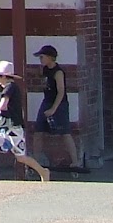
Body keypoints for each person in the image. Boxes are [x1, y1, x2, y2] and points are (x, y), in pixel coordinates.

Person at [0, 60, 50, 182]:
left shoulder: (10, 87)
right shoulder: (9, 88)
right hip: (2, 126)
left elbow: (3, 105)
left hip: (13, 128)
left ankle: (43, 171)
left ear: (4, 76)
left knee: (21, 158)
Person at [34, 44, 83, 172]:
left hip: (59, 104)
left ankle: (75, 162)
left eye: (42, 57)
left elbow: (61, 91)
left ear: (50, 57)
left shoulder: (58, 72)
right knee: (38, 131)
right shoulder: (45, 69)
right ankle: (35, 161)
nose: (41, 59)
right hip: (47, 101)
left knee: (65, 132)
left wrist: (53, 109)